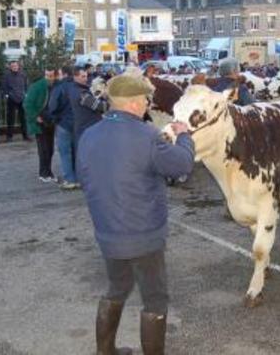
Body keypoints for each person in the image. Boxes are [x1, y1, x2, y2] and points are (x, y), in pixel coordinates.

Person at [77, 74, 195, 355]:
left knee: (117, 287)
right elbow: (181, 166)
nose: (147, 105)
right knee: (155, 299)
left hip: (108, 232)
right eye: (144, 100)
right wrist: (184, 136)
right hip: (144, 234)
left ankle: (105, 351)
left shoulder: (89, 135)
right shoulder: (147, 135)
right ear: (132, 103)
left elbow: (86, 177)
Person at [24, 68, 58, 183]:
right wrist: (35, 116)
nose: (49, 78)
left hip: (50, 120)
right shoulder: (37, 86)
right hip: (40, 121)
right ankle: (43, 173)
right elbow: (27, 104)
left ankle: (48, 172)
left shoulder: (56, 85)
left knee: (50, 148)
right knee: (44, 149)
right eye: (47, 75)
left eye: (51, 76)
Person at [48, 66, 78, 190]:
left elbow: (53, 106)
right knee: (76, 152)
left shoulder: (59, 87)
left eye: (58, 73)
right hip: (77, 123)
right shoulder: (78, 87)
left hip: (63, 123)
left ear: (63, 74)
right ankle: (79, 179)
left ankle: (70, 180)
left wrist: (54, 118)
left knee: (65, 153)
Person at [68, 66, 106, 146]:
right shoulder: (81, 93)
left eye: (86, 76)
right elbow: (100, 106)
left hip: (84, 128)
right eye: (83, 76)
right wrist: (108, 99)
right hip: (87, 129)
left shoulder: (75, 88)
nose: (86, 79)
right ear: (75, 77)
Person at [3, 61, 30, 142]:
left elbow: (26, 85)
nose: (14, 67)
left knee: (23, 118)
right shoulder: (6, 76)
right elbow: (4, 86)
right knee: (10, 119)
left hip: (22, 98)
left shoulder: (23, 75)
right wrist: (7, 94)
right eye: (12, 66)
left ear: (18, 66)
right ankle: (9, 137)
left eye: (15, 65)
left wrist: (26, 94)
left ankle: (25, 136)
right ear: (10, 67)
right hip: (11, 99)